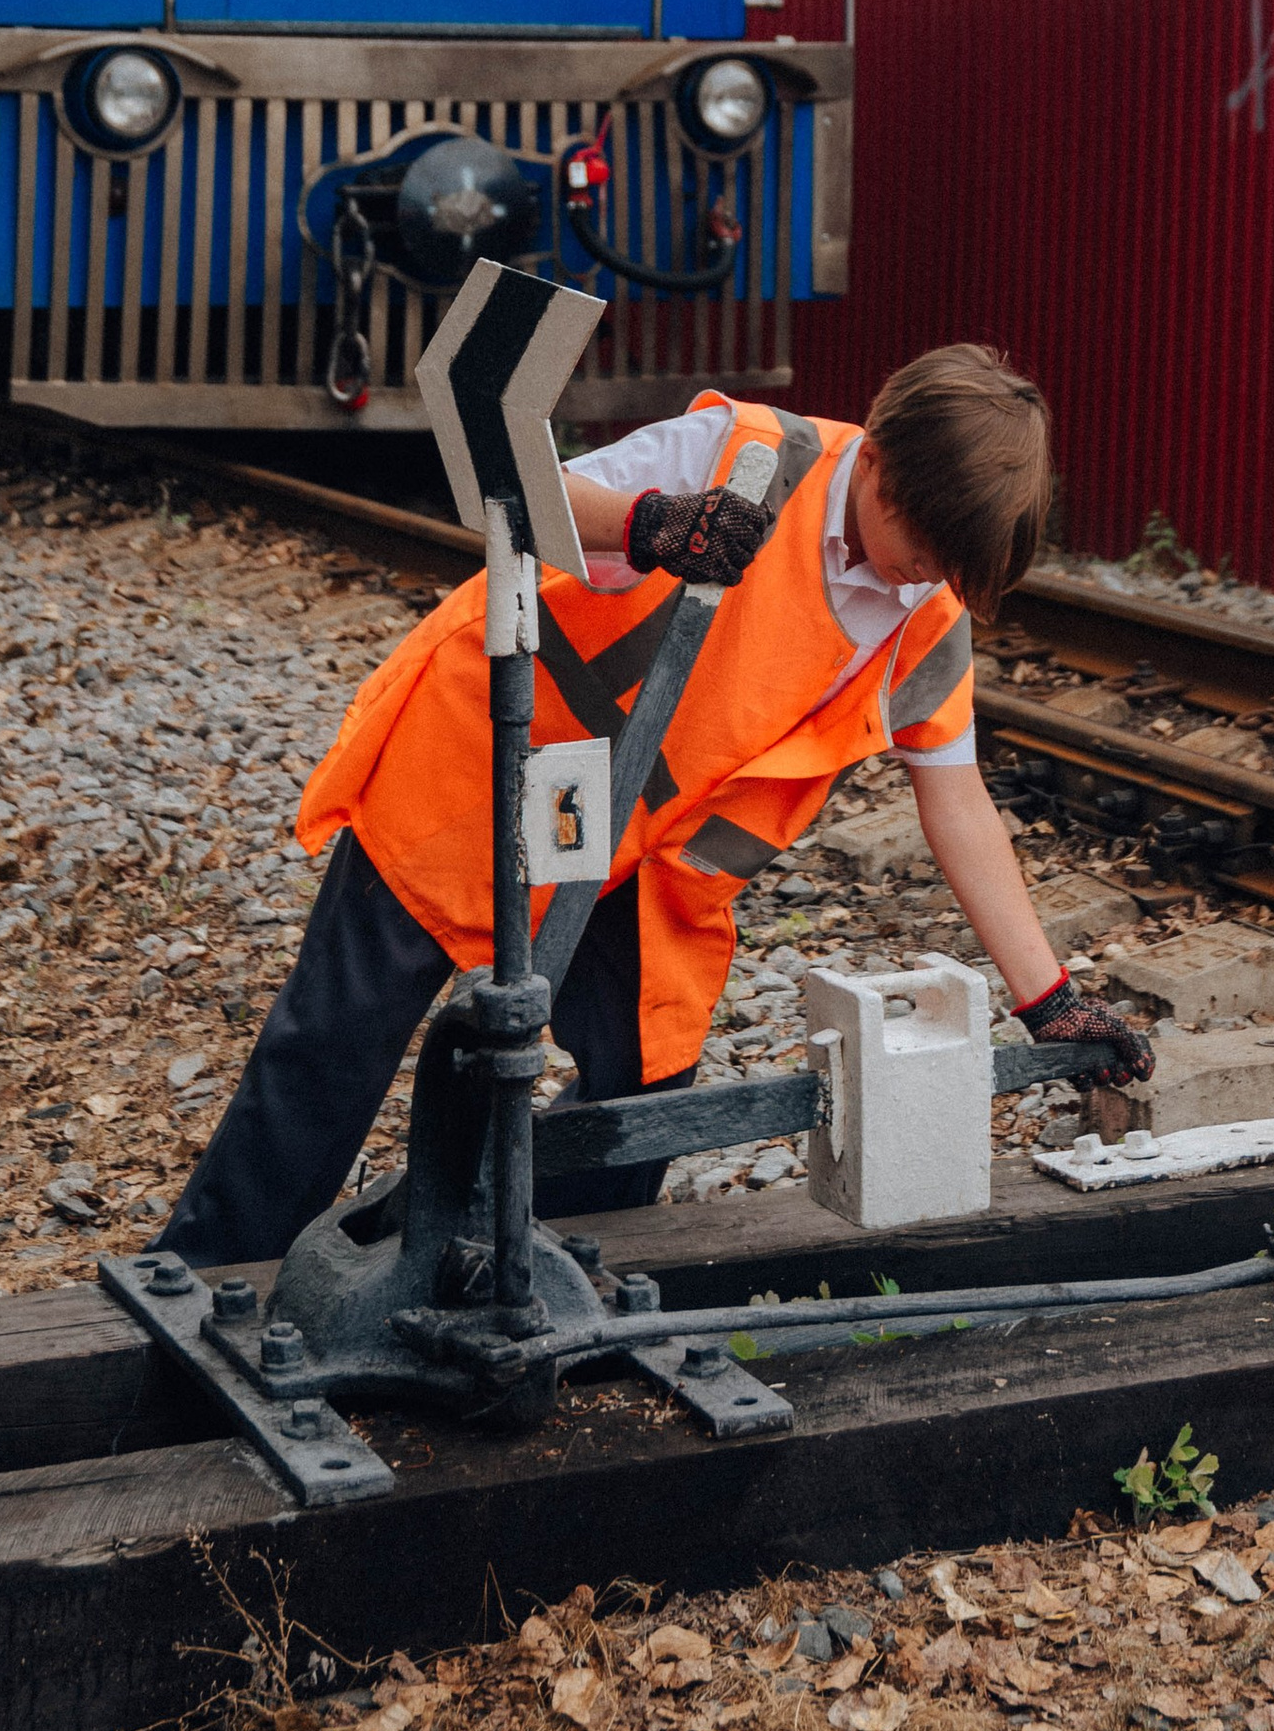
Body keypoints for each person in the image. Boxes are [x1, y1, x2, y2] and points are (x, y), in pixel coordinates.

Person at [165, 342, 1152, 1264]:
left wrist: (1049, 997)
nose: (924, 575)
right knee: (340, 1034)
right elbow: (528, 495)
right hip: (496, 760)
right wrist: (649, 523)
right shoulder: (745, 454)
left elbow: (958, 800)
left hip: (645, 851)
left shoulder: (923, 620)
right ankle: (209, 1276)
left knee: (645, 1084)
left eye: (950, 564)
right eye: (922, 544)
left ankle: (490, 1265)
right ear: (879, 461)